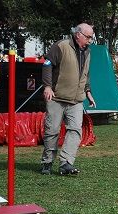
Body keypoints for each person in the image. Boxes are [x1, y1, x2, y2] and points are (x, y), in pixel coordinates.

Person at [40, 23, 96, 176]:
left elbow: (85, 74)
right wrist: (47, 86)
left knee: (76, 130)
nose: (90, 40)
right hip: (56, 97)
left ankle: (66, 162)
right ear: (78, 34)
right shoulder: (61, 46)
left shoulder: (88, 52)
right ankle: (47, 162)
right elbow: (47, 65)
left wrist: (88, 92)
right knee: (52, 131)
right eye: (88, 37)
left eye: (91, 37)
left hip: (76, 100)